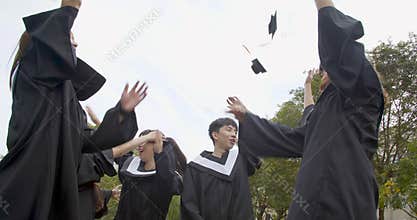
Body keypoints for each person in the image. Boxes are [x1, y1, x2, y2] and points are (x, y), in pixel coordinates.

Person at [226, 0, 385, 219]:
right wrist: (248, 118)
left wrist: (323, 4)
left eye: (325, 68)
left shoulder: (364, 90)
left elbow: (340, 48)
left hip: (346, 195)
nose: (323, 70)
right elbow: (295, 135)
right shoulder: (326, 109)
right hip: (310, 196)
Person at [0, 0, 146, 219]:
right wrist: (70, 8)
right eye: (70, 38)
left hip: (57, 192)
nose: (76, 45)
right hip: (24, 179)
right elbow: (47, 45)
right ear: (47, 45)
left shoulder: (71, 105)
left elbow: (88, 143)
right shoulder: (32, 71)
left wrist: (121, 113)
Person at [181, 118, 261, 220]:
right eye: (229, 129)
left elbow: (256, 160)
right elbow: (189, 204)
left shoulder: (240, 160)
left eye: (235, 132)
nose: (234, 134)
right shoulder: (195, 168)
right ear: (215, 135)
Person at [114, 130, 186, 220]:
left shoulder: (169, 178)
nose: (139, 145)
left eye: (145, 141)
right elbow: (117, 147)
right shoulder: (130, 165)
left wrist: (160, 150)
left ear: (158, 145)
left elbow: (166, 176)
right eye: (139, 141)